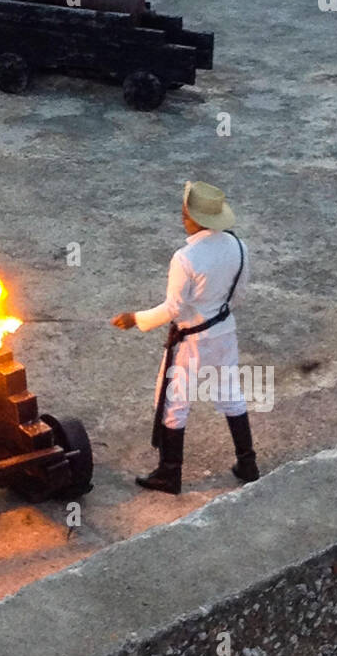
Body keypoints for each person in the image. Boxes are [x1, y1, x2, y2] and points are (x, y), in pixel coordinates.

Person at [111, 180, 259, 495]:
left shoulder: (185, 258)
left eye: (186, 213)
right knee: (230, 393)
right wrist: (216, 314)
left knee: (174, 402)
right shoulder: (239, 247)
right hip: (224, 333)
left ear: (200, 219)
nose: (182, 217)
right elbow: (239, 295)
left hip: (192, 341)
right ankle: (248, 463)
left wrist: (135, 319)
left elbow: (173, 308)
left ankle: (169, 473)